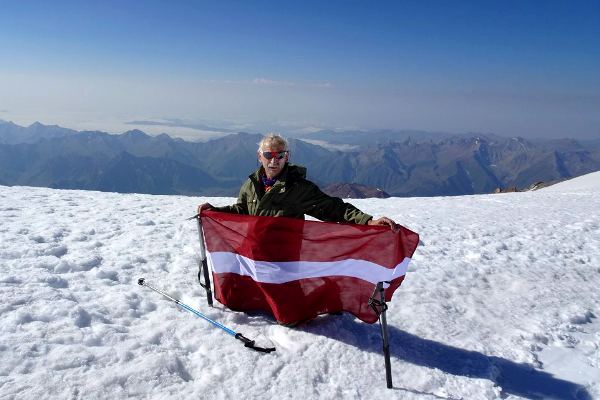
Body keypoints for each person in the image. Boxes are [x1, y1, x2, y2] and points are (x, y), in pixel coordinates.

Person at [198, 133, 398, 229]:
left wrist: (368, 221)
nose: (274, 160)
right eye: (269, 155)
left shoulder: (298, 187)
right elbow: (241, 211)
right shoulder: (251, 184)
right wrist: (214, 211)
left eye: (280, 155)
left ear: (288, 156)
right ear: (260, 157)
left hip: (286, 260)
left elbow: (334, 208)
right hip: (255, 255)